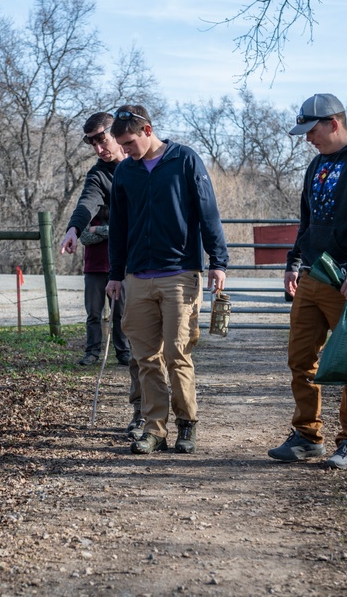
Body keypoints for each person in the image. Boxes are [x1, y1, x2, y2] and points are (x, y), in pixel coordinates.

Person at [267, 93, 347, 470]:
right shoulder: (317, 166)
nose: (307, 138)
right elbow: (306, 222)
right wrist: (294, 262)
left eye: (312, 130)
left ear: (333, 123)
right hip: (311, 276)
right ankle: (307, 436)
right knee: (300, 357)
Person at [106, 105, 229, 455]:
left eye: (129, 142)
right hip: (137, 277)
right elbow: (118, 228)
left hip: (180, 274)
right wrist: (116, 275)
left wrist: (218, 262)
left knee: (177, 354)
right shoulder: (125, 173)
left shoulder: (185, 160)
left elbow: (208, 212)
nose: (125, 149)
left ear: (147, 130)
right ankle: (154, 429)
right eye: (121, 144)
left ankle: (186, 425)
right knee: (145, 358)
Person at [59, 112, 149, 439]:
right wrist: (74, 228)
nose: (98, 148)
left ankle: (180, 418)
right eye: (92, 142)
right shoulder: (99, 175)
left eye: (102, 139)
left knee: (156, 344)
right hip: (112, 263)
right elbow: (87, 203)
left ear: (119, 133)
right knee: (108, 321)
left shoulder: (149, 163)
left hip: (153, 265)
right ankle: (143, 416)